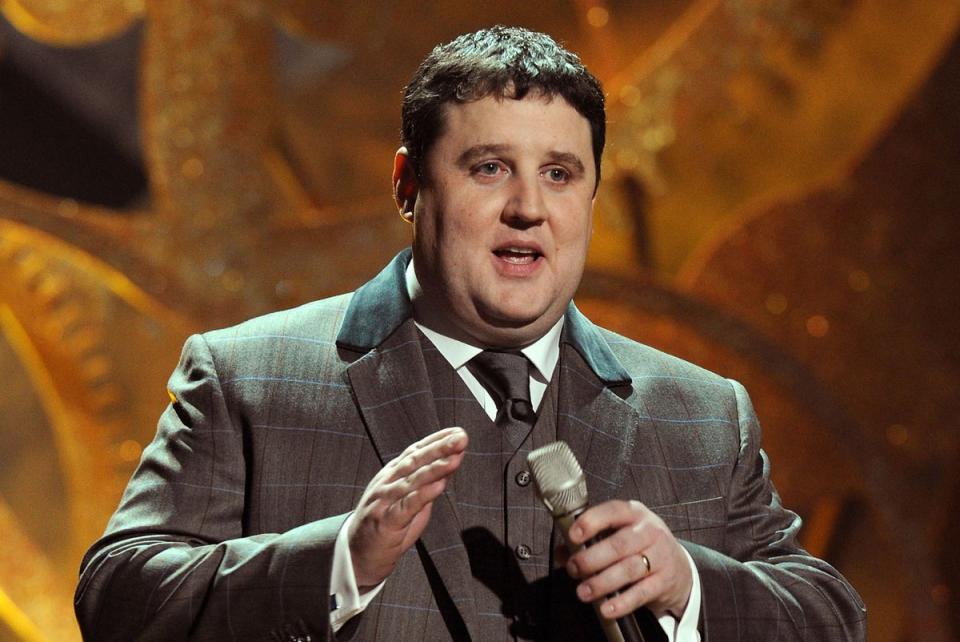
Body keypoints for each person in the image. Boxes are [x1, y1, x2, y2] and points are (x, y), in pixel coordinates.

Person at [74, 26, 866, 641]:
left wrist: (688, 582)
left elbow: (828, 617)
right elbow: (119, 599)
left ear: (591, 202)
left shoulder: (700, 413)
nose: (529, 207)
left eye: (560, 174)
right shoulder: (248, 378)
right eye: (489, 167)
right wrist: (339, 562)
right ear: (407, 185)